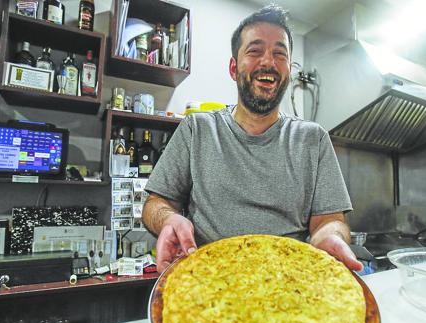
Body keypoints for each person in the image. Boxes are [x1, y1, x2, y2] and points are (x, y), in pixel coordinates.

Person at [142, 5, 362, 273]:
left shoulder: (313, 139)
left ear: (289, 72)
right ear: (234, 68)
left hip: (291, 288)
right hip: (207, 285)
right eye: (255, 51)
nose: (268, 62)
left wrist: (331, 235)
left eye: (279, 53)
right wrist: (168, 220)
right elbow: (156, 204)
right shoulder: (196, 128)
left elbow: (329, 221)